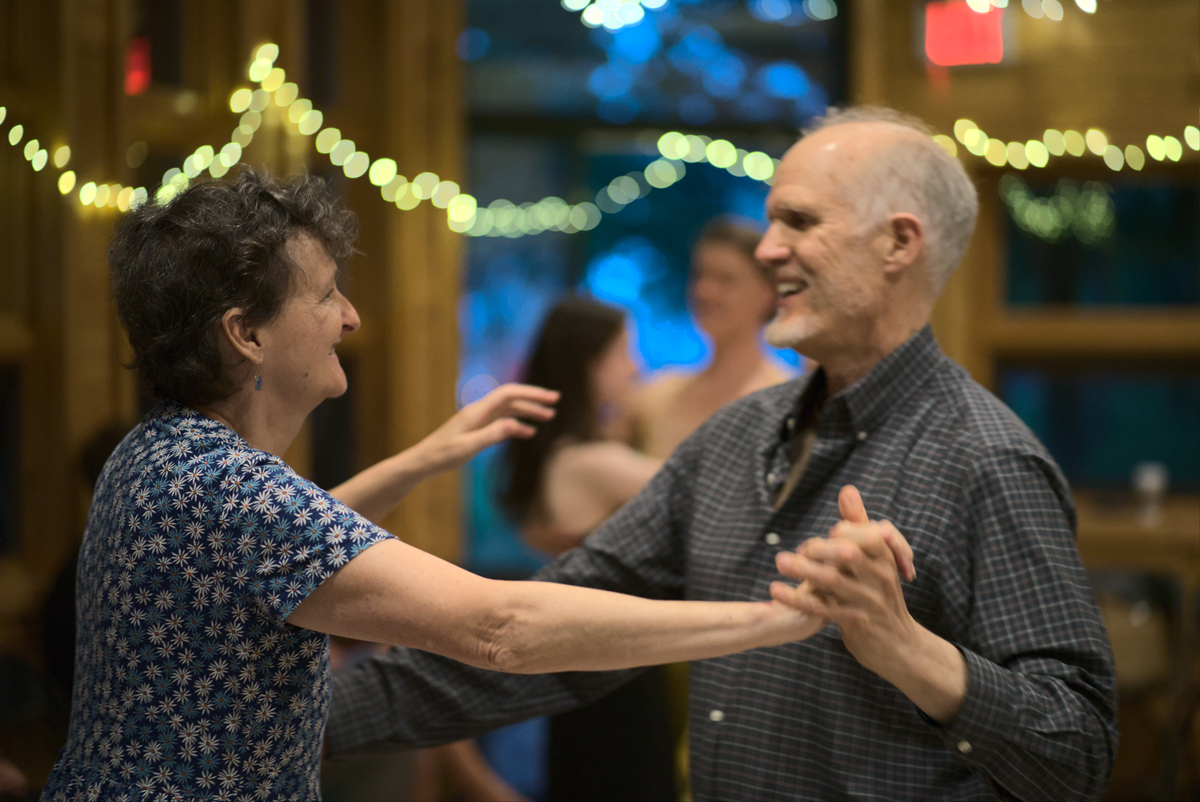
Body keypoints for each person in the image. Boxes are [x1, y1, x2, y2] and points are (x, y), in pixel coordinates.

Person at [325, 107, 1118, 802]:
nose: (769, 251)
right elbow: (564, 630)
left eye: (800, 223)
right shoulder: (733, 441)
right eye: (771, 222)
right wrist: (305, 722)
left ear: (898, 244)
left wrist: (912, 653)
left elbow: (1077, 755)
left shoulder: (987, 460)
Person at [40, 168, 851, 802]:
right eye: (325, 295)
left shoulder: (162, 454)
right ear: (246, 334)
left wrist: (430, 455)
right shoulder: (230, 487)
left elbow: (283, 549)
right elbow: (501, 626)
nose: (351, 317)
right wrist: (768, 620)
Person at [498, 297, 673, 801]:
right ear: (587, 364)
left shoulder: (561, 455)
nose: (635, 366)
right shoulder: (593, 463)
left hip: (584, 660)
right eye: (623, 351)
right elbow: (700, 484)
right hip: (612, 667)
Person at [635, 217, 792, 460]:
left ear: (766, 294)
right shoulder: (658, 393)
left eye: (725, 280)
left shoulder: (786, 402)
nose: (705, 291)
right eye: (700, 275)